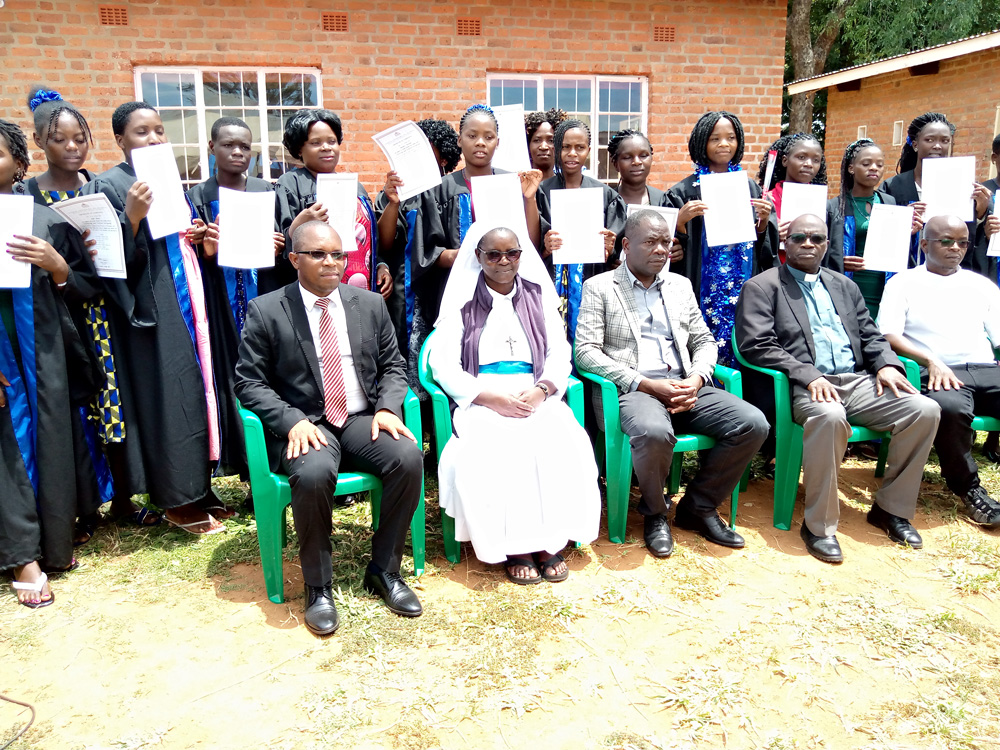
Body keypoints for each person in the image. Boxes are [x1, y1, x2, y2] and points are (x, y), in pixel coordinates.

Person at [234, 221, 424, 636]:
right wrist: (291, 420)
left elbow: (393, 367)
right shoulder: (268, 309)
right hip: (306, 425)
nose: (332, 262)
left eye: (338, 254)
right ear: (295, 259)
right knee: (315, 472)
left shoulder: (370, 304)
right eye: (319, 254)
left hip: (360, 419)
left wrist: (389, 408)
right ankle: (318, 586)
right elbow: (248, 382)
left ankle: (384, 571)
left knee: (407, 457)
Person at [735, 214, 940, 563]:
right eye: (799, 237)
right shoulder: (763, 286)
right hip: (805, 385)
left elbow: (871, 335)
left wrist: (886, 364)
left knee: (924, 409)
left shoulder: (845, 286)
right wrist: (807, 374)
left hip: (858, 381)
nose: (808, 244)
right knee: (829, 418)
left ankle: (891, 509)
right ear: (786, 243)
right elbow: (755, 344)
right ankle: (819, 526)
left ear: (827, 244)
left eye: (816, 238)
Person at [575, 210, 769, 557]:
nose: (661, 249)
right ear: (626, 245)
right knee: (652, 432)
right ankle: (655, 513)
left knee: (752, 423)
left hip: (684, 385)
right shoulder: (600, 287)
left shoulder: (680, 285)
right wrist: (645, 384)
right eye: (650, 242)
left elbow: (705, 341)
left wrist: (696, 379)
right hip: (635, 390)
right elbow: (586, 352)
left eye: (666, 242)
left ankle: (698, 507)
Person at [83, 101, 228, 534]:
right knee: (170, 394)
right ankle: (175, 499)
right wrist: (131, 217)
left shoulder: (169, 180)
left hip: (189, 296)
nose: (154, 139)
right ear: (120, 140)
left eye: (159, 131)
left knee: (199, 388)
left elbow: (177, 235)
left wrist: (198, 234)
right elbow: (103, 260)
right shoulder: (110, 185)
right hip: (150, 307)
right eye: (142, 132)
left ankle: (200, 488)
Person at [429, 223, 600, 583]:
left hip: (535, 392)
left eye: (513, 253)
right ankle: (516, 546)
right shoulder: (461, 302)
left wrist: (542, 389)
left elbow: (559, 353)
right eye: (493, 254)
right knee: (501, 446)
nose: (503, 261)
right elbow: (442, 365)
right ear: (478, 257)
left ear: (523, 256)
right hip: (482, 395)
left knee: (562, 439)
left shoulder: (539, 296)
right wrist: (489, 397)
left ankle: (547, 540)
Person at [23, 88, 158, 542]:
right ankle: (78, 507)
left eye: (80, 137)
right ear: (40, 141)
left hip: (101, 314)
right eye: (60, 139)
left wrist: (130, 225)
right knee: (67, 411)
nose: (73, 146)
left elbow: (123, 259)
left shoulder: (100, 188)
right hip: (46, 319)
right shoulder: (26, 197)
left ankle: (122, 498)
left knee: (112, 406)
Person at [1, 118, 101, 605]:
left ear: (20, 163)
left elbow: (86, 288)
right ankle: (23, 554)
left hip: (42, 352)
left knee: (53, 439)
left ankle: (56, 537)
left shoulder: (44, 220)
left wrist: (59, 267)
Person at [407, 104, 542, 392]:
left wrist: (528, 199)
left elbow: (529, 242)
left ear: (498, 141)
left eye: (488, 136)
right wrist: (464, 257)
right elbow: (425, 253)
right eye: (472, 135)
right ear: (459, 140)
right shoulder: (439, 189)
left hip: (508, 289)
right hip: (459, 292)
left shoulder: (512, 182)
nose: (480, 142)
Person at [878, 215, 1000, 529]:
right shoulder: (902, 283)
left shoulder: (980, 285)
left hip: (986, 369)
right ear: (924, 244)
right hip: (940, 373)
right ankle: (969, 489)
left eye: (962, 242)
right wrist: (931, 360)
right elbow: (889, 335)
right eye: (946, 241)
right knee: (947, 409)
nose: (955, 248)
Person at [186, 116, 289, 483]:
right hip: (221, 304)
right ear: (212, 148)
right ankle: (241, 462)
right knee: (230, 379)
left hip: (263, 296)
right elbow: (190, 261)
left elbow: (283, 248)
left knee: (272, 376)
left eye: (245, 146)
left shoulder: (266, 190)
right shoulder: (197, 197)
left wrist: (280, 246)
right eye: (229, 145)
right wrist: (206, 249)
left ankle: (273, 462)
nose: (237, 152)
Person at [665, 113, 776, 366]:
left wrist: (763, 221)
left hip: (742, 284)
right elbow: (671, 249)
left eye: (730, 138)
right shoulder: (684, 191)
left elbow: (763, 244)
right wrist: (680, 222)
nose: (724, 144)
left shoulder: (749, 188)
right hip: (701, 284)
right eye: (715, 138)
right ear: (701, 142)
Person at [276, 108, 391, 296]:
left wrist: (380, 265)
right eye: (315, 142)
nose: (326, 147)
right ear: (299, 149)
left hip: (360, 286)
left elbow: (370, 239)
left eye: (332, 141)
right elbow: (282, 247)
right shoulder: (290, 183)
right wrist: (301, 223)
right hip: (317, 289)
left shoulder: (355, 187)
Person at [376, 118, 462, 359]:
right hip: (403, 287)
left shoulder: (451, 192)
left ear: (443, 158)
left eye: (425, 147)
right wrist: (392, 202)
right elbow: (383, 243)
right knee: (401, 345)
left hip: (442, 282)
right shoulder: (394, 193)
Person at [537, 119, 627, 339]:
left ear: (588, 149)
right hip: (550, 281)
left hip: (591, 279)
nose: (572, 153)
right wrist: (545, 247)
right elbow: (531, 241)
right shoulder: (540, 192)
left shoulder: (605, 194)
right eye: (566, 147)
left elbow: (616, 252)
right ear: (558, 150)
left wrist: (609, 248)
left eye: (579, 147)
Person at [881, 112, 993, 273]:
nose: (938, 146)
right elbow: (881, 235)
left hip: (950, 274)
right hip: (903, 271)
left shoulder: (964, 186)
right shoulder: (893, 186)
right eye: (929, 140)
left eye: (945, 141)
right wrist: (903, 220)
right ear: (915, 144)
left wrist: (981, 213)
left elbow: (970, 241)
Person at [825, 139, 915, 320]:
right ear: (851, 168)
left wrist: (908, 231)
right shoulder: (835, 207)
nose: (874, 168)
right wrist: (840, 261)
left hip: (883, 284)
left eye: (879, 165)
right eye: (866, 164)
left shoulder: (888, 201)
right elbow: (823, 248)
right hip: (852, 284)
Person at [757, 133, 836, 270]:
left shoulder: (826, 206)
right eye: (801, 157)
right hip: (774, 273)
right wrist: (773, 234)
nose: (809, 164)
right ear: (785, 160)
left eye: (816, 160)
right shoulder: (767, 200)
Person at [524, 107, 566, 182]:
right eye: (537, 140)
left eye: (551, 140)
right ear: (528, 145)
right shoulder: (517, 186)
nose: (543, 147)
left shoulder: (567, 186)